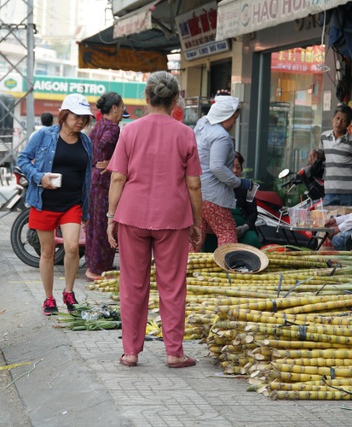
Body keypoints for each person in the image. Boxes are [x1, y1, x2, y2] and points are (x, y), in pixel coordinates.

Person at [106, 71, 202, 368]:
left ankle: (131, 352)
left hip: (132, 215)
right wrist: (197, 222)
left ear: (146, 99)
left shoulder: (130, 132)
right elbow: (194, 185)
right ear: (175, 101)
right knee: (172, 285)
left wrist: (111, 217)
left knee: (132, 284)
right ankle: (174, 352)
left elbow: (118, 178)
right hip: (173, 217)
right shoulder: (185, 133)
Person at [18, 93, 93, 315]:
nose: (80, 121)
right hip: (45, 202)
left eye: (84, 118)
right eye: (75, 116)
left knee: (72, 247)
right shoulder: (44, 135)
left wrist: (86, 210)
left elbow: (87, 177)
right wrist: (38, 177)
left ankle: (68, 292)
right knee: (48, 251)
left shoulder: (86, 142)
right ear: (64, 115)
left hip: (72, 202)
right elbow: (22, 159)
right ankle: (49, 298)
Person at [192, 95, 252, 251]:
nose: (234, 123)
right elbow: (217, 167)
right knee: (227, 231)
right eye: (234, 119)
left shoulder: (202, 125)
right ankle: (226, 268)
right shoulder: (221, 136)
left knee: (197, 235)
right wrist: (238, 183)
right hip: (213, 194)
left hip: (197, 190)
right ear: (225, 116)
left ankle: (183, 269)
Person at [84, 92, 125, 282]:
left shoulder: (98, 125)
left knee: (93, 225)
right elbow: (105, 143)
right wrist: (108, 160)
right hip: (105, 181)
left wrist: (99, 159)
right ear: (114, 108)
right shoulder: (113, 128)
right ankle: (99, 269)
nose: (123, 110)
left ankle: (92, 264)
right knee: (103, 225)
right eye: (122, 106)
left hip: (93, 180)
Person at [318, 104, 352, 206]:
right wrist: (314, 153)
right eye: (337, 118)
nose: (339, 122)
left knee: (348, 221)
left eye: (343, 120)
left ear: (348, 123)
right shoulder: (324, 137)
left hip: (350, 193)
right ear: (333, 118)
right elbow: (321, 155)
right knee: (328, 221)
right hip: (330, 191)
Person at [232, 151, 260, 248]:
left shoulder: (247, 187)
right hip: (220, 230)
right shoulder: (217, 187)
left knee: (252, 240)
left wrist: (245, 227)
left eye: (238, 167)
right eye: (232, 167)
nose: (235, 170)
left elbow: (253, 213)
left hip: (243, 230)